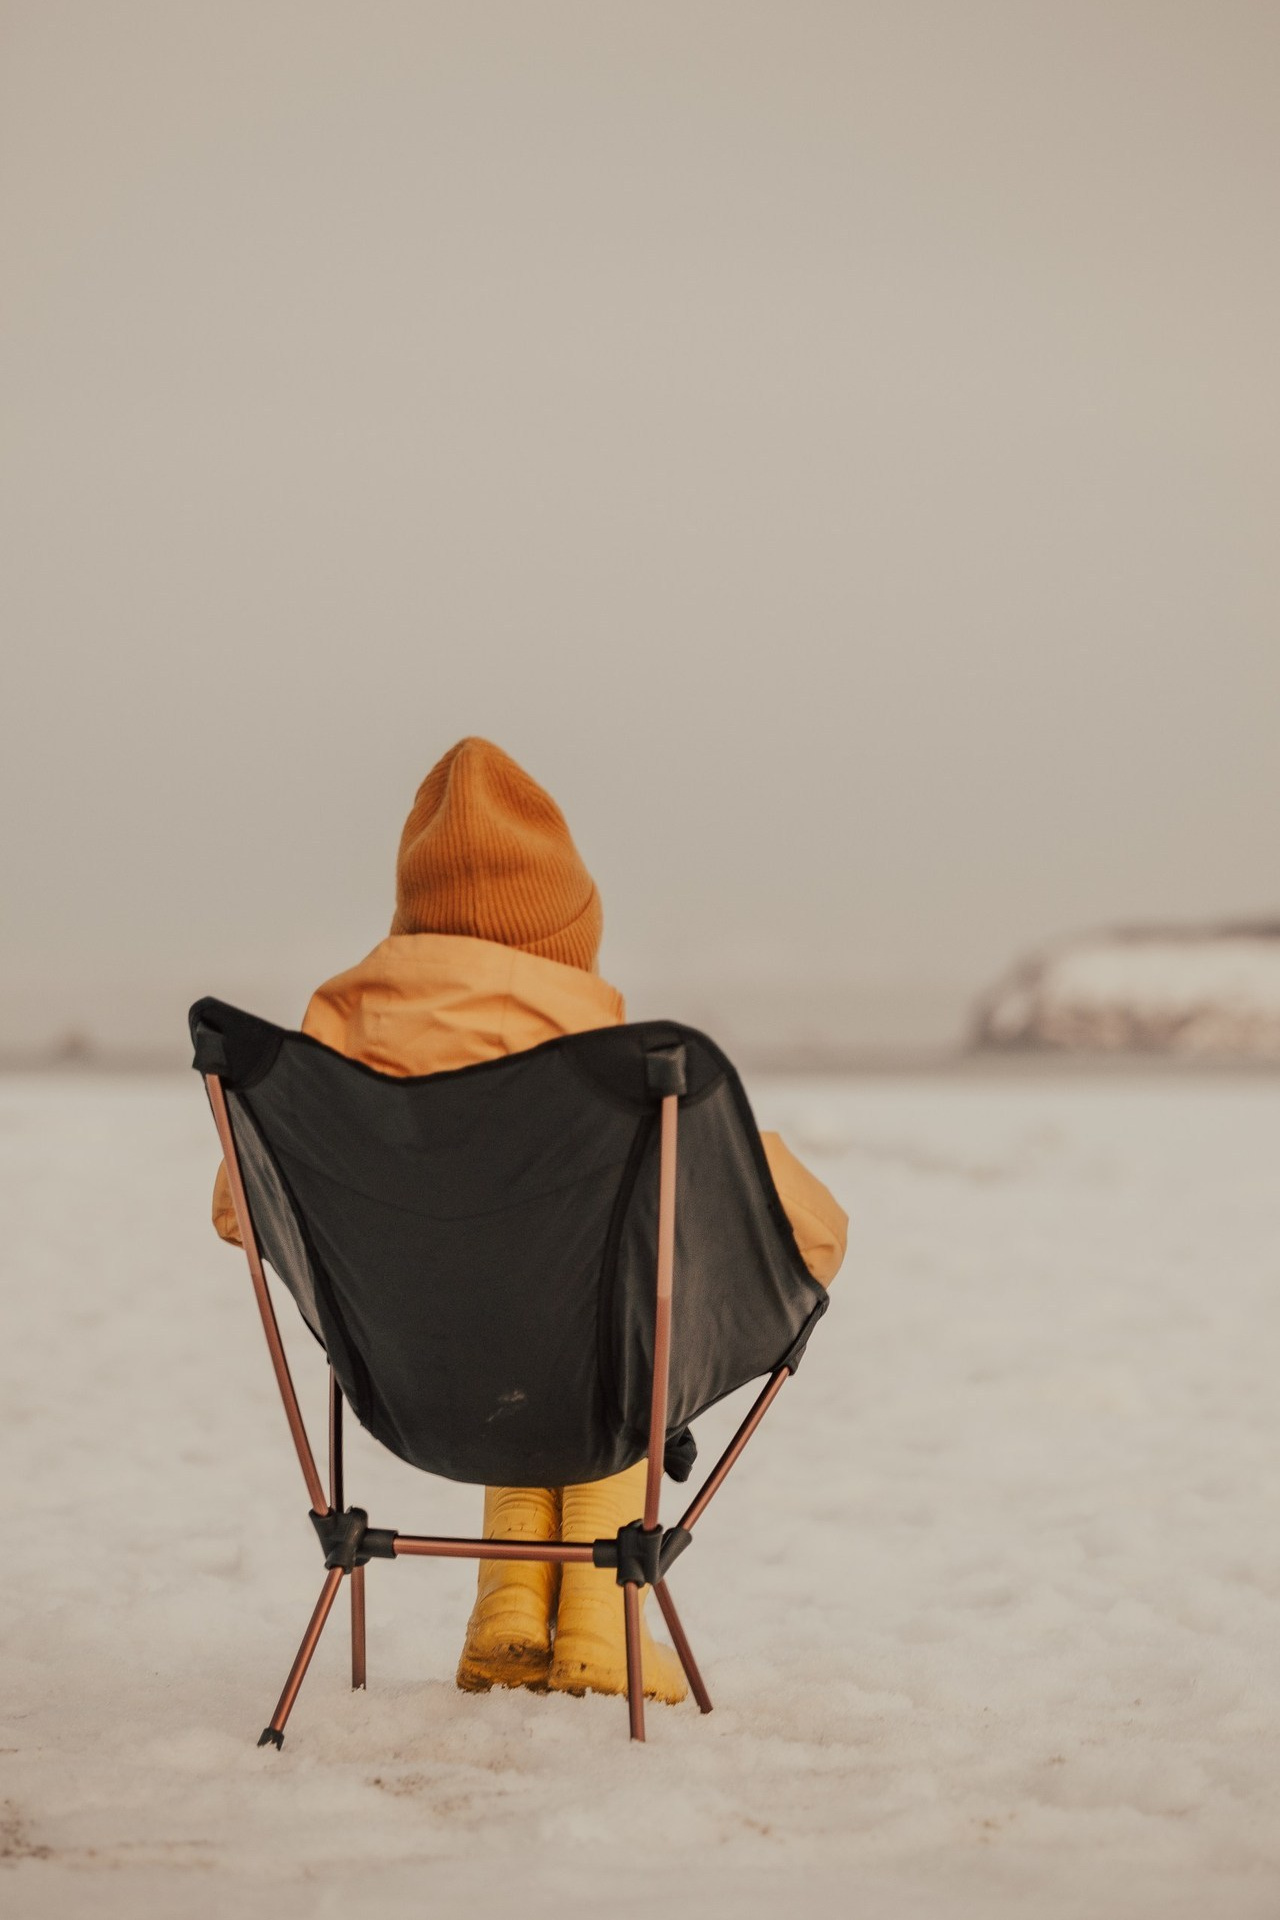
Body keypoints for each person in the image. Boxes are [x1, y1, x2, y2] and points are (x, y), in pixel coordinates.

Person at [211, 737, 847, 1705]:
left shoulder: (316, 1076)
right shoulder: (620, 1078)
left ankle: (507, 1609)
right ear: (568, 934)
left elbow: (238, 1212)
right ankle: (600, 1622)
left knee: (512, 1326)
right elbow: (805, 1233)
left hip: (416, 1395)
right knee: (632, 1324)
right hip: (593, 1394)